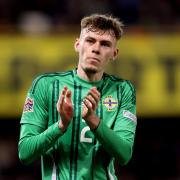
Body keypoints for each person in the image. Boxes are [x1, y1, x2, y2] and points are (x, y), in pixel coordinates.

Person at [18, 13, 137, 180]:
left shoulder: (123, 90)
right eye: (90, 40)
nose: (96, 48)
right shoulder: (45, 85)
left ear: (114, 54)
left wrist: (92, 120)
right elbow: (25, 152)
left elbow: (124, 154)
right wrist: (60, 125)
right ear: (78, 44)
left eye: (105, 44)